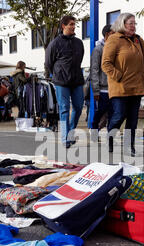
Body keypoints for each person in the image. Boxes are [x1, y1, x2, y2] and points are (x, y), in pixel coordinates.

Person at [102, 13, 144, 156]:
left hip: (137, 86)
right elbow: (106, 63)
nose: (133, 26)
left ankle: (129, 146)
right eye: (131, 23)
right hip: (120, 86)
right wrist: (118, 76)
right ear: (122, 23)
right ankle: (110, 137)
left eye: (135, 23)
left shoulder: (138, 40)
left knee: (133, 118)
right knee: (119, 115)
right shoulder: (114, 39)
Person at [45, 15, 85, 148]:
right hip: (61, 81)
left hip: (77, 80)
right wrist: (58, 73)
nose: (74, 27)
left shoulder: (79, 43)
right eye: (71, 24)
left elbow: (79, 60)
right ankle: (65, 139)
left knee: (79, 107)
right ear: (64, 26)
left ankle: (70, 133)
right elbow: (49, 63)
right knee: (64, 109)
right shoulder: (55, 43)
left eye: (74, 24)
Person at [89, 24, 114, 142]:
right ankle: (94, 131)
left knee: (113, 114)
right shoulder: (98, 50)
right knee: (100, 112)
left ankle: (110, 137)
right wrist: (96, 89)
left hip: (114, 88)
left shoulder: (115, 48)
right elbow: (94, 70)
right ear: (108, 34)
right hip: (103, 88)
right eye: (114, 33)